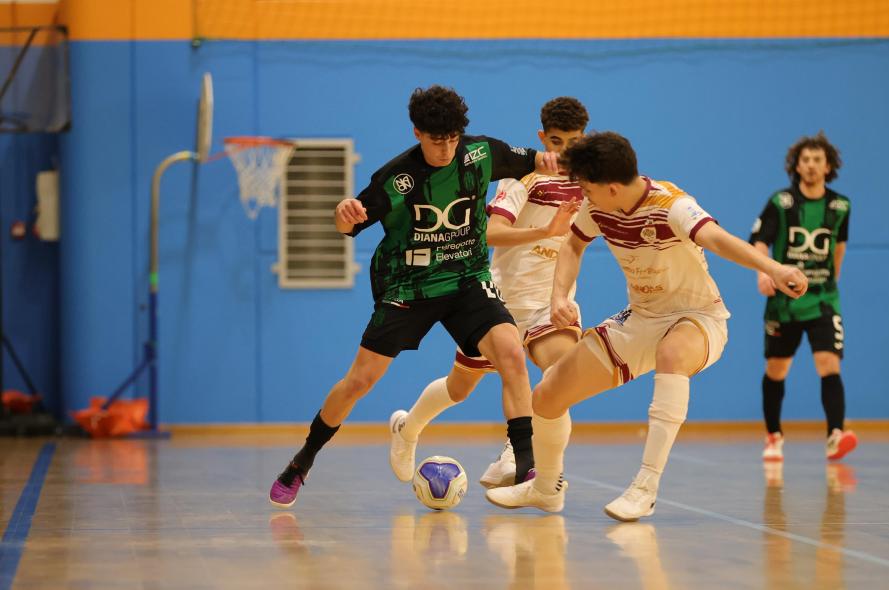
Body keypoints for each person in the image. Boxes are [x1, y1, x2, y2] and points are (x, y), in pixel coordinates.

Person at [485, 131, 809, 522]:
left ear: (613, 187)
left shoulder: (672, 205)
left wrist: (775, 269)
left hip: (697, 316)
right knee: (547, 395)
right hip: (641, 317)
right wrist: (558, 298)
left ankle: (645, 486)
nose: (582, 196)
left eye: (587, 188)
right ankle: (545, 489)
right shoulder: (597, 206)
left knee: (671, 354)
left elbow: (718, 240)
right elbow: (572, 246)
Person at [269, 85, 559, 508]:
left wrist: (548, 160)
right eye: (436, 141)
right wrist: (342, 213)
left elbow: (533, 159)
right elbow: (348, 225)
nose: (445, 150)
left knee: (511, 354)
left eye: (452, 140)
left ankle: (527, 469)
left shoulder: (481, 153)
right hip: (409, 285)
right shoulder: (396, 178)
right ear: (417, 133)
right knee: (359, 381)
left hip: (466, 278)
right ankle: (303, 460)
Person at [387, 97, 589, 489]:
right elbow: (490, 232)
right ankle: (408, 428)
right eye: (556, 141)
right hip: (500, 300)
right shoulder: (522, 176)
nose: (564, 152)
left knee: (559, 378)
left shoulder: (588, 184)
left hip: (549, 306)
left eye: (574, 142)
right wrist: (544, 232)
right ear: (541, 138)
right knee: (459, 388)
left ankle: (529, 467)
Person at [749, 131, 856, 463]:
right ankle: (773, 435)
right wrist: (764, 274)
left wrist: (832, 281)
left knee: (828, 362)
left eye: (817, 160)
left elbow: (839, 247)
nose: (810, 165)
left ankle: (835, 434)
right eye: (805, 160)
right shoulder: (781, 203)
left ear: (828, 166)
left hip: (823, 299)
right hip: (785, 301)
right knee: (777, 369)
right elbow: (759, 241)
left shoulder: (840, 206)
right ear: (796, 166)